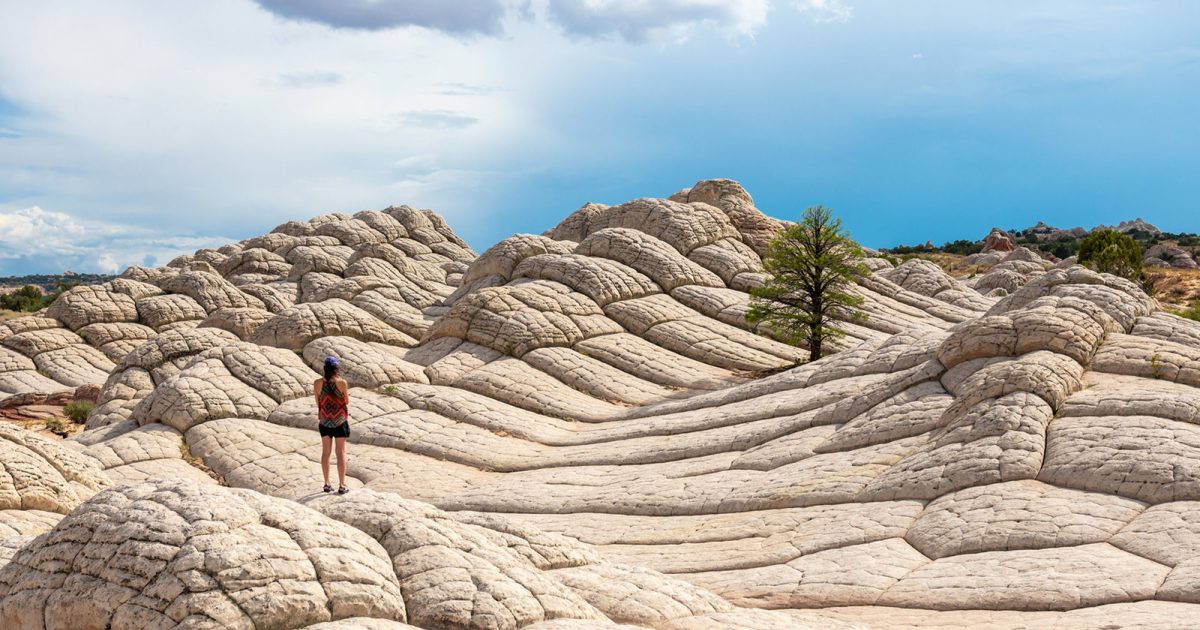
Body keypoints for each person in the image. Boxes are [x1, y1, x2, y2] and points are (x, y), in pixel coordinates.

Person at [315, 356, 350, 494]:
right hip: (340, 421)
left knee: (326, 453)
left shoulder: (317, 383)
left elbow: (318, 401)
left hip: (324, 421)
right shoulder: (342, 383)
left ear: (324, 369)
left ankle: (326, 484)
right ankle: (342, 485)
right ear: (336, 369)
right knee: (340, 453)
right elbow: (346, 401)